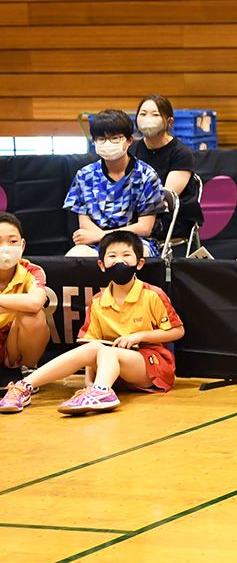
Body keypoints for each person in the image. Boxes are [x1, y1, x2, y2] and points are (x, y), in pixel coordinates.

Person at [0, 231, 184, 415]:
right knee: (95, 348)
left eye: (126, 255)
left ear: (140, 263)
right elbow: (91, 344)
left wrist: (138, 336)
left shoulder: (153, 294)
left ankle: (102, 392)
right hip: (113, 369)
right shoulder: (97, 301)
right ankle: (23, 386)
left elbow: (177, 331)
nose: (119, 261)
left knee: (107, 351)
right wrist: (89, 382)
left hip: (151, 366)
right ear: (102, 265)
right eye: (112, 256)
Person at [64, 109, 164, 258]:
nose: (107, 143)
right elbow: (84, 223)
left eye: (115, 138)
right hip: (95, 244)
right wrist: (102, 240)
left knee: (125, 258)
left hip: (136, 242)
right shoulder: (84, 176)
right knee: (74, 258)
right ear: (94, 141)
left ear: (129, 140)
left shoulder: (146, 176)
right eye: (101, 139)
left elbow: (145, 228)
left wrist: (103, 236)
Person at [129, 94, 204, 246]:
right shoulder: (131, 149)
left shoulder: (181, 153)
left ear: (169, 121)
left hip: (170, 216)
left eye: (155, 114)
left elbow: (166, 197)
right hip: (135, 212)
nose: (147, 119)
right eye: (143, 114)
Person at [0, 213, 49, 382]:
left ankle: (28, 372)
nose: (5, 248)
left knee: (33, 316)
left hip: (13, 345)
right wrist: (18, 303)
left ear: (22, 245)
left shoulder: (33, 270)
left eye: (12, 241)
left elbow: (35, 302)